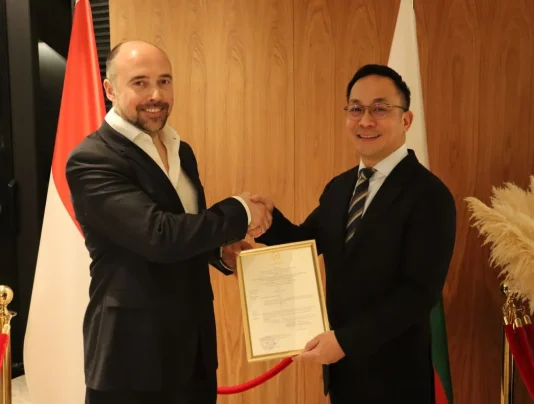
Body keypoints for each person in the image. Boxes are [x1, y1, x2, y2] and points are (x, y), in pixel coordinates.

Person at [66, 40, 270, 404]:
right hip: (132, 356)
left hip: (193, 350)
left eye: (165, 81)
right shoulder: (92, 159)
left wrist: (218, 251)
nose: (156, 95)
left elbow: (185, 225)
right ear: (110, 89)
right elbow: (158, 236)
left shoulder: (180, 149)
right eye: (140, 83)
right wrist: (240, 211)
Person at [250, 64, 456, 403]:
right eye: (356, 109)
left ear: (406, 120)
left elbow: (419, 293)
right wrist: (266, 220)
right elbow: (305, 243)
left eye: (380, 109)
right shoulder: (340, 187)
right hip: (343, 376)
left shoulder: (429, 195)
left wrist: (346, 341)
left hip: (397, 380)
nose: (365, 121)